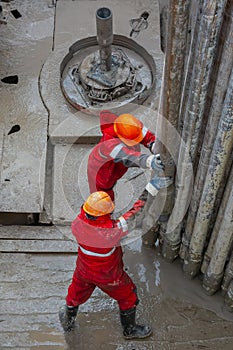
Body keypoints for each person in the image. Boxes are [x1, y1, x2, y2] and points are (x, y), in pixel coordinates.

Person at [59, 191, 152, 339]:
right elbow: (134, 215)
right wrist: (148, 191)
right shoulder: (112, 231)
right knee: (129, 295)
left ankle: (68, 319)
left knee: (75, 294)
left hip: (83, 270)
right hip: (108, 275)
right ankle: (130, 330)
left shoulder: (77, 223)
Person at [87, 110, 164, 201]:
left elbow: (144, 134)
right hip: (99, 172)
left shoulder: (129, 125)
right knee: (103, 197)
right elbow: (128, 157)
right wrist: (149, 161)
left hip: (110, 167)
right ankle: (104, 211)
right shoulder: (109, 145)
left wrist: (153, 144)